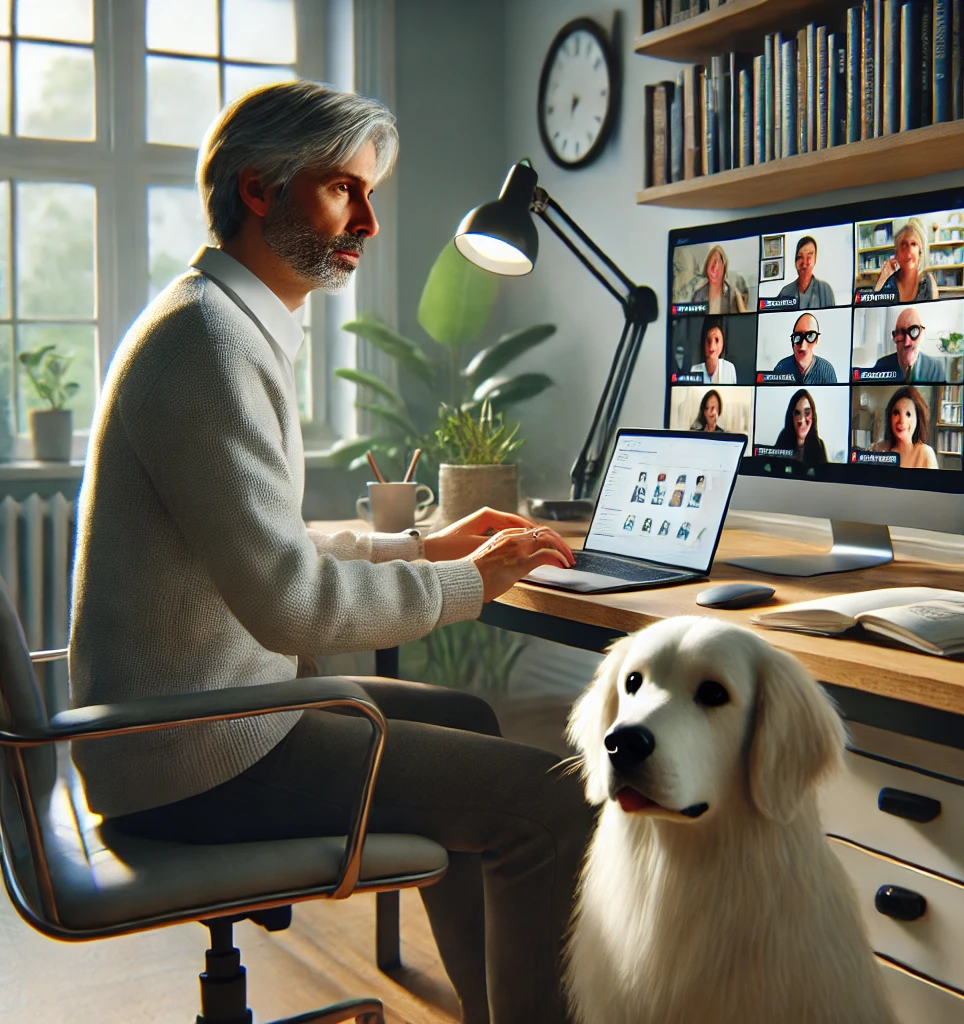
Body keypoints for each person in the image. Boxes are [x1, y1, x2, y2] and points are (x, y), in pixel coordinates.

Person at [67, 82, 592, 1024]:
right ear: (261, 189)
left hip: (190, 727)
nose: (371, 222)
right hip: (199, 762)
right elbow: (293, 606)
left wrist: (422, 543)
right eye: (346, 191)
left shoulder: (218, 320)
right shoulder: (208, 344)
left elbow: (262, 545)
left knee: (469, 714)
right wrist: (465, 582)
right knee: (552, 809)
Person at [871, 305, 946, 382]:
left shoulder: (935, 368)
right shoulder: (881, 365)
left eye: (914, 332)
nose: (907, 343)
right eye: (901, 334)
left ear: (921, 333)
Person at [871, 385, 939, 468]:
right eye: (896, 413)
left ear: (917, 418)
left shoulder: (925, 453)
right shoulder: (880, 449)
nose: (902, 421)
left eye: (908, 414)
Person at [873, 217, 939, 301]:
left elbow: (935, 310)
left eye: (913, 244)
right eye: (904, 245)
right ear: (896, 253)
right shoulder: (889, 282)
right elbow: (873, 308)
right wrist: (883, 277)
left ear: (920, 253)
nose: (908, 251)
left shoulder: (928, 281)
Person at [772, 312, 838, 384]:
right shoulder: (781, 367)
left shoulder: (827, 370)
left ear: (816, 340)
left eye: (810, 336)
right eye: (798, 337)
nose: (803, 347)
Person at [775, 235, 836, 309]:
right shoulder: (785, 292)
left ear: (815, 260)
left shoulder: (825, 290)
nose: (804, 264)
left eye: (809, 257)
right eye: (800, 257)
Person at [774, 388, 830, 465]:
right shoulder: (783, 439)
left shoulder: (819, 446)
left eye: (807, 412)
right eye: (797, 413)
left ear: (813, 416)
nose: (801, 419)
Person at [691, 244, 748, 313]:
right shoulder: (698, 295)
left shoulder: (732, 294)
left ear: (724, 269)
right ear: (707, 268)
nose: (715, 268)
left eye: (718, 263)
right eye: (712, 263)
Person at [689, 315, 738, 384]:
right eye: (708, 341)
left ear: (723, 342)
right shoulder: (695, 370)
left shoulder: (729, 368)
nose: (712, 347)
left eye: (717, 340)